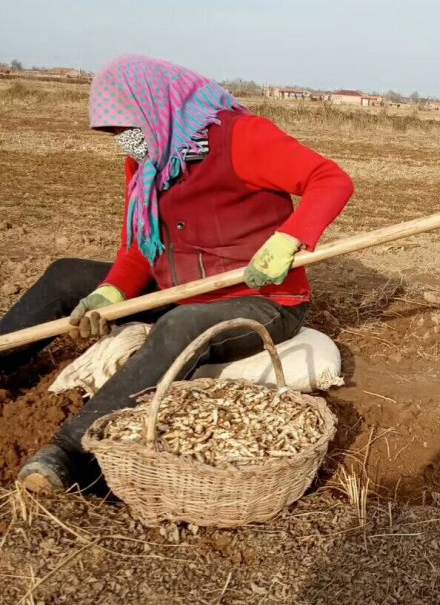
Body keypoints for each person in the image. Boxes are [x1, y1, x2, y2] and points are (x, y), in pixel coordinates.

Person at [0, 55, 354, 493]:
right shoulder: (150, 156)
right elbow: (138, 245)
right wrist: (112, 292)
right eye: (114, 134)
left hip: (261, 300)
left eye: (126, 129)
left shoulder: (242, 138)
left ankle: (73, 451)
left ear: (157, 108)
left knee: (181, 325)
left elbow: (330, 179)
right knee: (65, 274)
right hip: (179, 287)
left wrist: (289, 238)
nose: (123, 143)